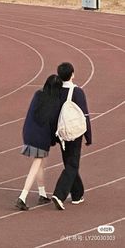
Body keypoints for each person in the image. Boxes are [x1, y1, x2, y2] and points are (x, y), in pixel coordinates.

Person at [15, 74, 63, 211]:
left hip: (28, 131)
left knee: (41, 162)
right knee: (37, 164)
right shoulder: (56, 102)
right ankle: (22, 197)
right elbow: (54, 124)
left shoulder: (38, 95)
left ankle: (42, 193)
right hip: (41, 136)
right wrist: (56, 140)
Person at [51, 62, 92, 210]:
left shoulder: (56, 90)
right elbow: (85, 115)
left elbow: (53, 114)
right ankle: (59, 194)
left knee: (69, 162)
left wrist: (53, 136)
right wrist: (89, 136)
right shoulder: (78, 92)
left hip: (61, 133)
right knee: (73, 164)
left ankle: (77, 194)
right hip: (75, 133)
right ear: (73, 74)